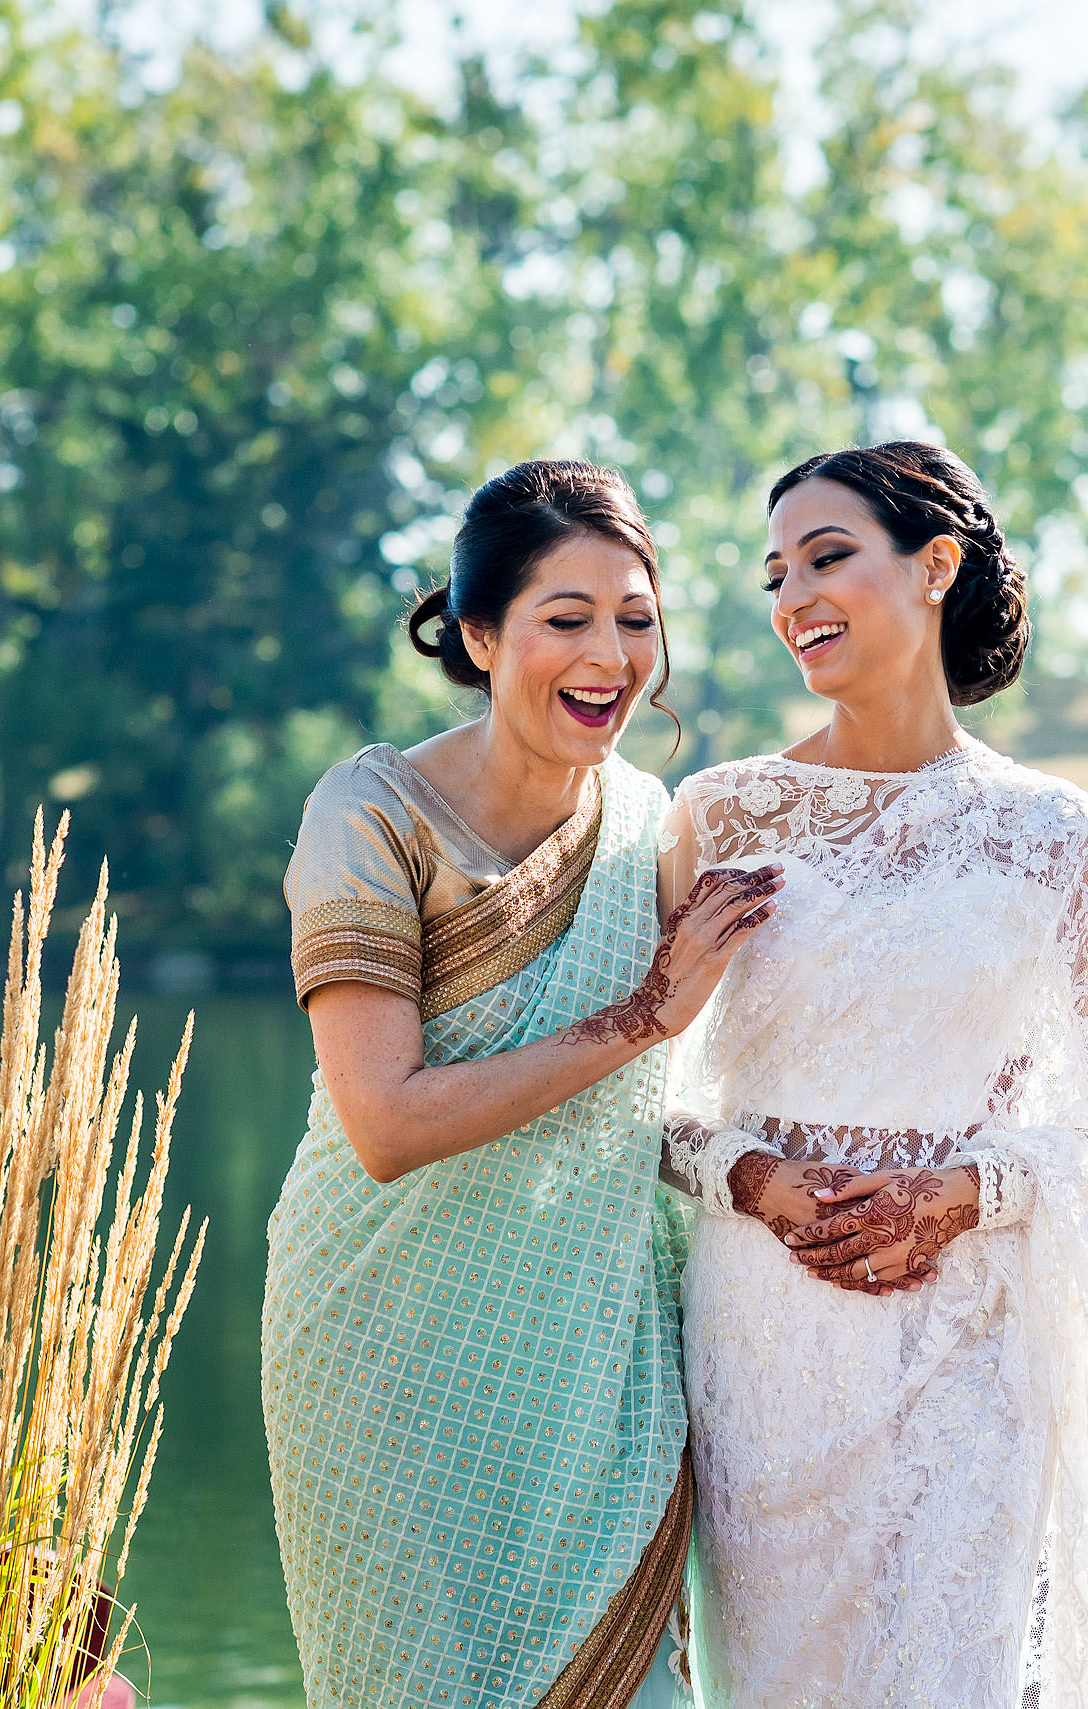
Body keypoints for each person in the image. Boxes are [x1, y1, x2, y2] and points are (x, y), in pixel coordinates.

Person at [657, 442, 1088, 1706]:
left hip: (970, 1331)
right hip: (766, 1326)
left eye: (828, 558)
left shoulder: (1053, 832)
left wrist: (955, 1197)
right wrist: (756, 1176)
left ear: (936, 564)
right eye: (777, 572)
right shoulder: (719, 814)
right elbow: (634, 1091)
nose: (793, 598)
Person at [262, 460, 782, 1709]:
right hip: (381, 1347)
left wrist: (782, 1180)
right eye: (567, 619)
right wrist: (644, 1013)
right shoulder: (373, 812)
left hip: (594, 1363)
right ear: (482, 633)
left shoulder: (656, 823)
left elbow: (666, 1103)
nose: (611, 654)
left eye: (636, 619)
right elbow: (384, 1120)